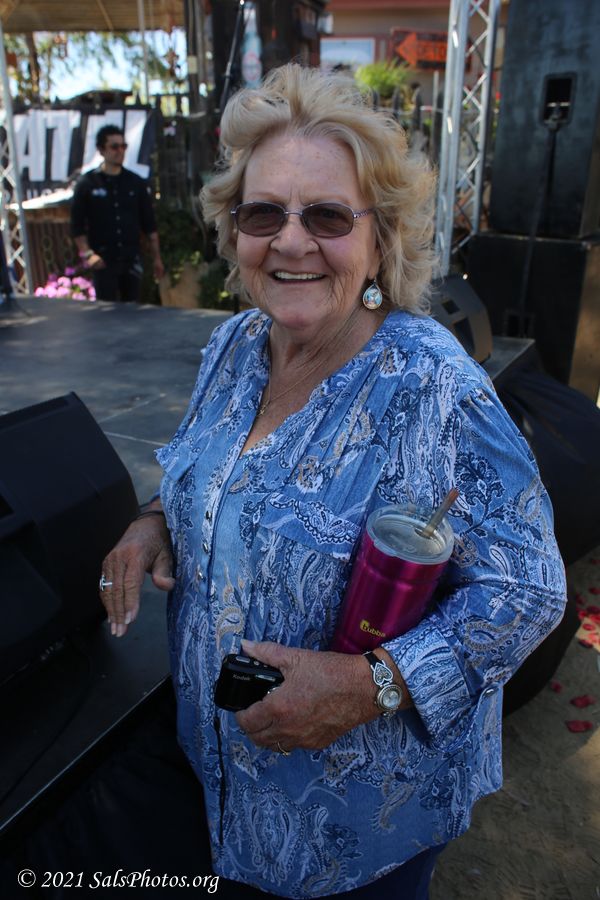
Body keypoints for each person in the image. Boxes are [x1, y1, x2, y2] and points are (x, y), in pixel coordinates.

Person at [99, 64, 566, 898]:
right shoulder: (234, 347)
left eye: (326, 216)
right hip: (221, 781)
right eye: (262, 213)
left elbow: (527, 589)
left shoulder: (435, 388)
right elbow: (207, 470)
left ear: (380, 238)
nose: (290, 241)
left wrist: (366, 686)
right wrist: (153, 521)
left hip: (357, 824)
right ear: (235, 231)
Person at [70, 124, 164, 302]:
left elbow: (149, 224)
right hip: (103, 260)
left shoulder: (135, 182)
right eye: (114, 147)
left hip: (131, 257)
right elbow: (77, 226)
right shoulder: (87, 183)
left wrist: (157, 258)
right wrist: (89, 254)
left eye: (123, 146)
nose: (120, 151)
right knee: (107, 310)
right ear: (101, 149)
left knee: (132, 306)